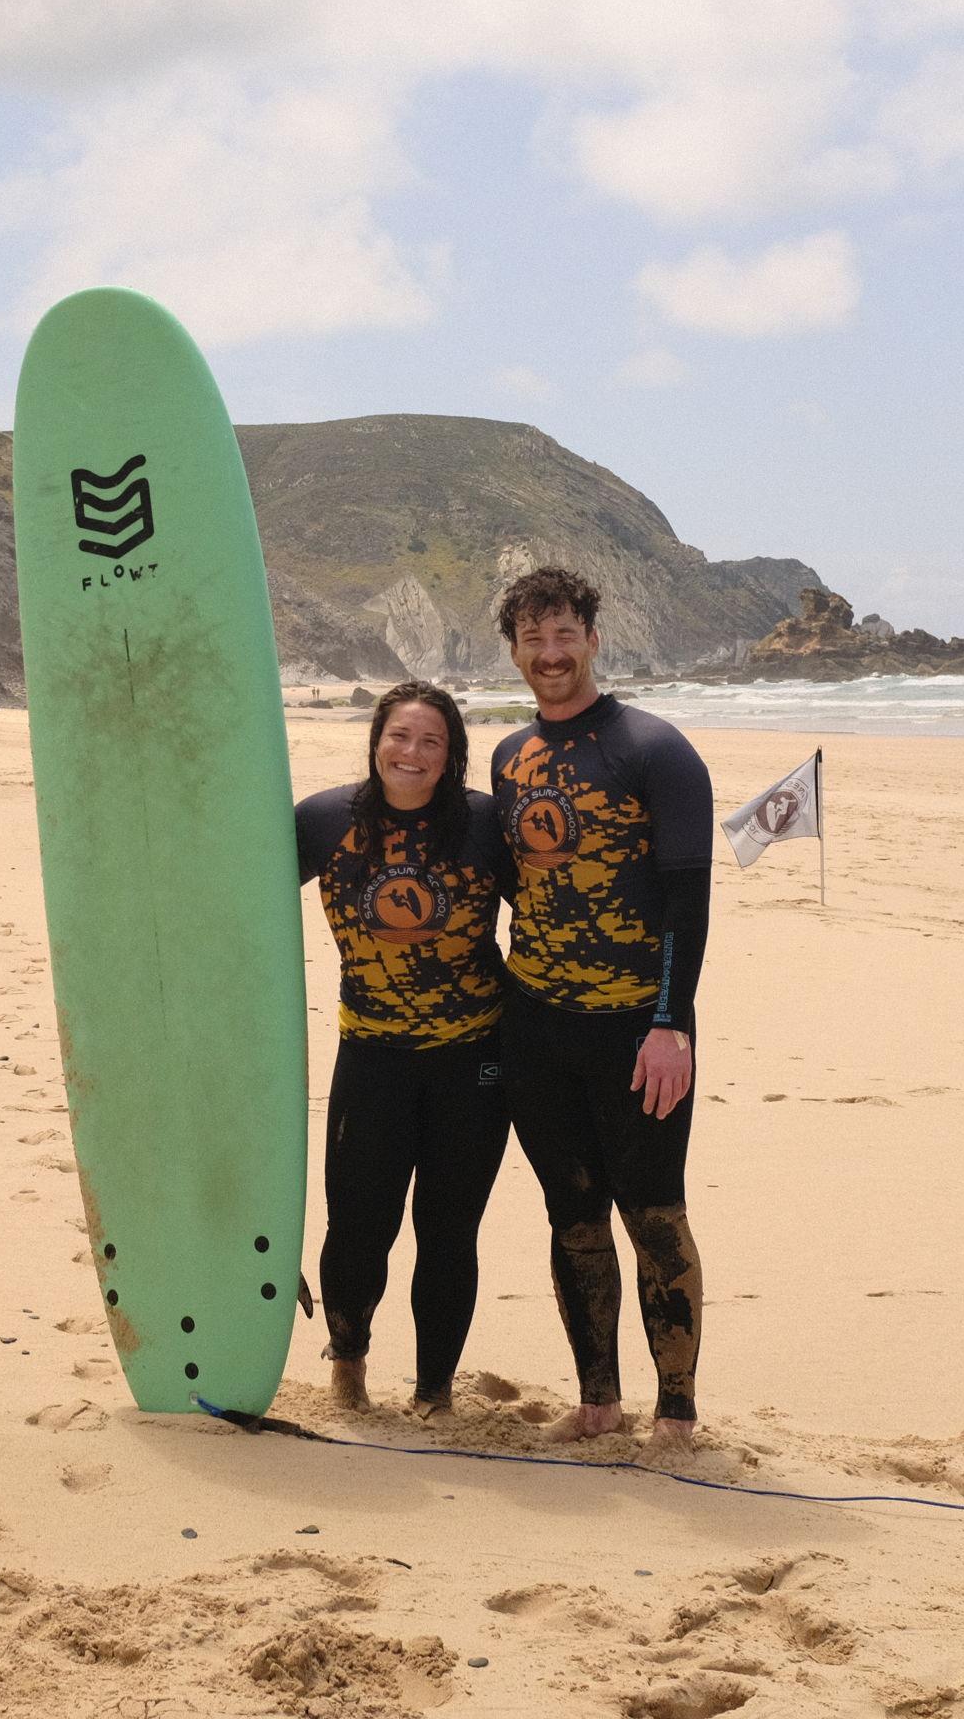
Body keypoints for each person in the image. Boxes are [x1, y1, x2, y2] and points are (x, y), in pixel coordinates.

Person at [489, 567, 714, 1446]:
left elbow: (686, 902)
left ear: (592, 638)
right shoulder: (510, 758)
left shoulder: (653, 749)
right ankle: (596, 1401)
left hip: (635, 1030)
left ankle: (677, 1414)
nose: (550, 653)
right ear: (513, 651)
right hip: (537, 1027)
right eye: (532, 639)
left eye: (563, 635)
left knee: (653, 1215)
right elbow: (515, 885)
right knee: (571, 1215)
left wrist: (670, 1023)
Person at [296, 681, 514, 1416]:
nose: (411, 753)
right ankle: (348, 1364)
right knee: (358, 1226)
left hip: (473, 1061)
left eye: (430, 741)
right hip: (371, 1058)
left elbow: (552, 912)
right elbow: (241, 898)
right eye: (399, 736)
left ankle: (434, 1391)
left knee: (449, 1233)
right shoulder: (326, 820)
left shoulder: (484, 824)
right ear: (376, 740)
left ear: (451, 755)